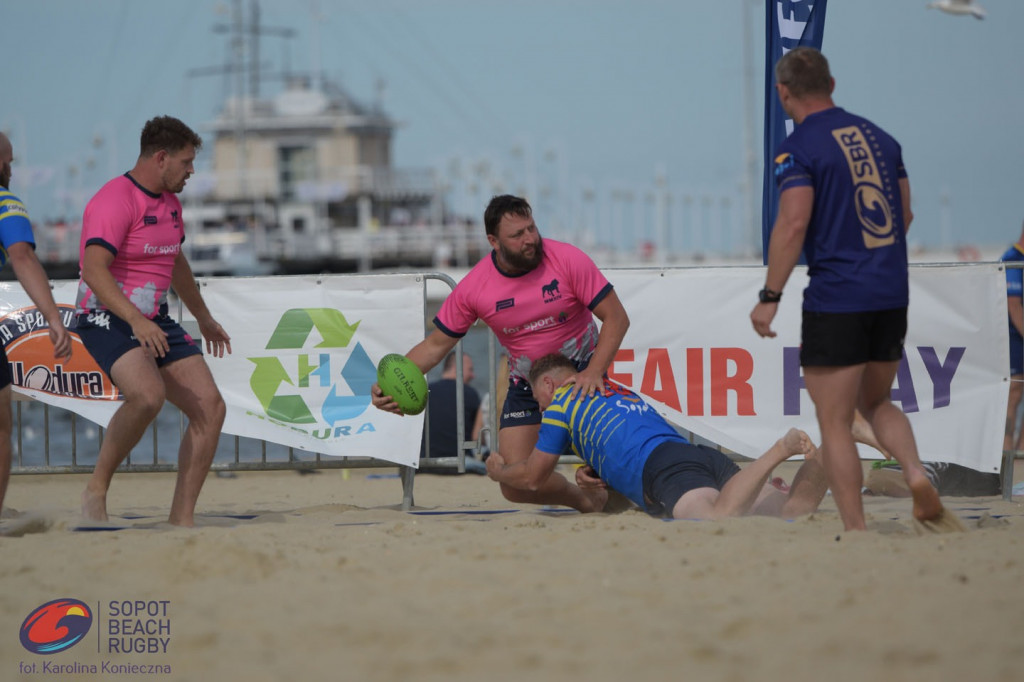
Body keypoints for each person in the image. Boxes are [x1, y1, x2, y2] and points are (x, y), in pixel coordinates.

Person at [749, 47, 962, 532]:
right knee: (879, 403)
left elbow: (793, 222)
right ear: (833, 84)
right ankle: (914, 473)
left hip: (838, 294)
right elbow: (905, 216)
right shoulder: (882, 139)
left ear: (783, 92)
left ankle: (856, 529)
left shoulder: (798, 148)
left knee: (835, 420)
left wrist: (770, 297)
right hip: (890, 290)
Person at [373, 194, 630, 512]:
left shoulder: (567, 259)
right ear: (493, 240)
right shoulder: (476, 287)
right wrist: (391, 384)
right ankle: (587, 501)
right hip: (527, 384)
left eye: (532, 229)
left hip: (581, 373)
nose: (530, 240)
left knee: (617, 465)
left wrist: (594, 371)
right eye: (518, 235)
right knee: (515, 484)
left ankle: (618, 487)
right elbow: (436, 345)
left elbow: (616, 317)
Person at [75, 116, 231, 527]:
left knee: (211, 408)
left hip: (154, 319)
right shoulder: (115, 199)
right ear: (161, 158)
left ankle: (181, 521)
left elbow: (175, 262)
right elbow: (94, 270)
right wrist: (135, 321)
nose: (192, 170)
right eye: (186, 161)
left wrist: (204, 317)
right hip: (104, 316)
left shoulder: (171, 204)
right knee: (147, 395)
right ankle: (96, 490)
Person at [485, 354, 829, 520]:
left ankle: (777, 452)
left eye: (537, 399)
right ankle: (836, 440)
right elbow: (623, 497)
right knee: (794, 510)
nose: (540, 410)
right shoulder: (616, 390)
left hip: (665, 467)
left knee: (714, 521)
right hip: (694, 457)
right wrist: (597, 475)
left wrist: (499, 472)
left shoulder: (561, 401)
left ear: (548, 384)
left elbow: (532, 477)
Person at [0, 132, 73, 517]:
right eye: (8, 161)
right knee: (0, 427)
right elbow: (22, 257)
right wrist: (52, 317)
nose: (10, 168)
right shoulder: (5, 202)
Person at [419, 351, 485, 474]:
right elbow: (476, 436)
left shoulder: (424, 392)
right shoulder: (470, 393)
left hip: (423, 462)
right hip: (459, 463)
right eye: (470, 370)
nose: (473, 375)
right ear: (457, 368)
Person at [1000, 221, 1024, 454]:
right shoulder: (1011, 258)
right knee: (1013, 394)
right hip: (1013, 336)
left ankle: (1021, 450)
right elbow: (1014, 307)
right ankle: (1007, 454)